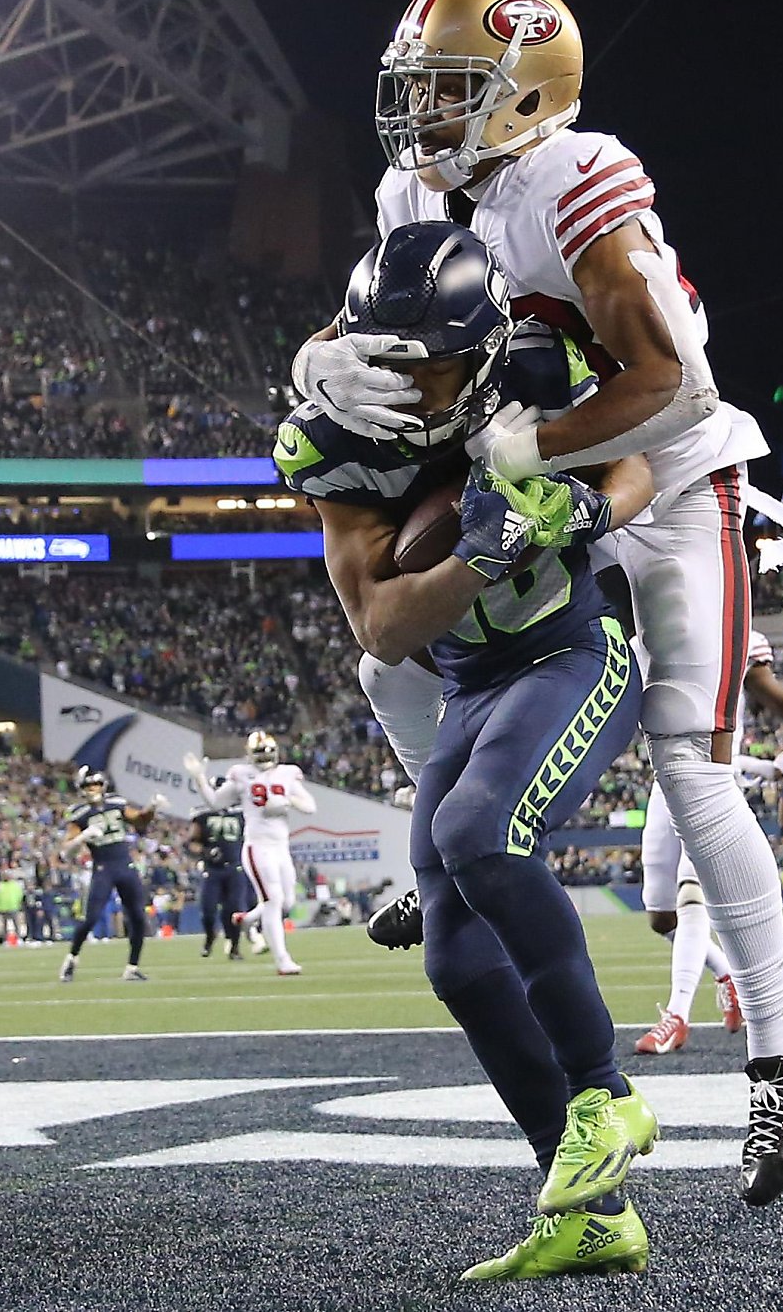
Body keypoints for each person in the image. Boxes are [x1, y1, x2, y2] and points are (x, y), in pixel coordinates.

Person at [290, 0, 783, 1204]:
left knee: (687, 757)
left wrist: (524, 452)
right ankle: (438, 859)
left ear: (525, 90)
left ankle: (780, 1056)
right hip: (531, 461)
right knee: (388, 654)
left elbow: (671, 386)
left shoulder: (572, 177)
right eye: (413, 88)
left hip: (670, 469)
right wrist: (323, 357)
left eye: (447, 89)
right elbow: (362, 315)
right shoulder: (413, 187)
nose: (419, 115)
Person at [285, 221, 659, 1279]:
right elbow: (382, 627)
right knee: (454, 961)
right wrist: (481, 557)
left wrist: (579, 509)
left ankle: (605, 1092)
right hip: (467, 681)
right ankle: (586, 1214)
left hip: (571, 653)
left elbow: (635, 462)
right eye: (391, 359)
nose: (413, 382)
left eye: (435, 358)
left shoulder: (540, 369)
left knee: (477, 832)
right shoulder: (334, 437)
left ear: (484, 342)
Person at [635, 624, 783, 1054]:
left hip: (709, 779)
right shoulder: (646, 622)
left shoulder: (737, 628)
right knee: (661, 917)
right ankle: (727, 972)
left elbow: (773, 696)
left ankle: (677, 1016)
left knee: (692, 903)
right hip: (662, 780)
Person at [184, 730, 316, 975]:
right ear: (249, 754)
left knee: (287, 901)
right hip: (258, 847)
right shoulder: (242, 775)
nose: (264, 756)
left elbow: (310, 807)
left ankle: (246, 920)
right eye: (259, 752)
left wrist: (286, 802)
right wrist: (200, 778)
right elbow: (215, 802)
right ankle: (282, 960)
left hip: (280, 848)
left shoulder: (287, 773)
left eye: (267, 751)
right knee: (273, 901)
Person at [59, 767, 162, 983]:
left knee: (137, 917)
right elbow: (66, 852)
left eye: (96, 784)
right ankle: (71, 959)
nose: (93, 789)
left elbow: (139, 820)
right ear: (82, 789)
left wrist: (152, 808)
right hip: (103, 868)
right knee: (90, 918)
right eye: (88, 786)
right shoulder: (79, 814)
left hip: (125, 865)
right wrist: (83, 837)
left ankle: (132, 967)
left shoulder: (116, 803)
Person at [186, 805, 249, 959]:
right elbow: (192, 842)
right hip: (213, 870)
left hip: (235, 868)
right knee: (208, 910)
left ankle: (234, 947)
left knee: (234, 909)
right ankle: (210, 936)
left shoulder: (241, 813)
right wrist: (205, 851)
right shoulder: (203, 814)